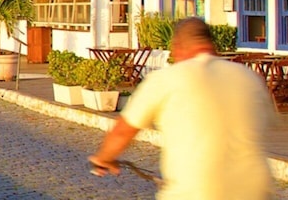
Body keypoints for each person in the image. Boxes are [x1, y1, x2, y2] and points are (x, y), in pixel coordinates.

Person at [89, 17, 276, 199]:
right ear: (212, 45)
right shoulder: (249, 78)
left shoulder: (166, 79)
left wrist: (104, 157)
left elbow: (123, 131)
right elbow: (267, 127)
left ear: (177, 47)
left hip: (196, 191)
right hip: (255, 189)